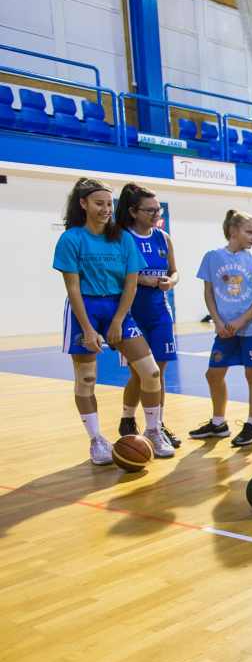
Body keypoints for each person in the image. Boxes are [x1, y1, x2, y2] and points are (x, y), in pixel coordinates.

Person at [53, 177, 170, 463]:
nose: (106, 209)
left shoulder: (122, 238)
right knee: (87, 378)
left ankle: (153, 430)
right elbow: (73, 288)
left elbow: (131, 283)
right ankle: (96, 440)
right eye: (99, 203)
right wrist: (88, 329)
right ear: (83, 204)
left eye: (109, 204)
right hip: (85, 308)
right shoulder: (71, 239)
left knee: (151, 372)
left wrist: (118, 320)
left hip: (118, 307)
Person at [190, 210, 252, 446]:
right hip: (224, 329)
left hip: (251, 328)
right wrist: (217, 321)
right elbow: (208, 293)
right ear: (233, 231)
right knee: (214, 374)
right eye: (249, 232)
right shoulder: (212, 257)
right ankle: (218, 423)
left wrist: (242, 320)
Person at [114, 182, 181, 449]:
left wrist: (171, 281)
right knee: (139, 372)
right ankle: (128, 417)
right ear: (133, 211)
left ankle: (157, 425)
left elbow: (175, 271)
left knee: (158, 372)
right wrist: (143, 280)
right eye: (150, 210)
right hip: (132, 312)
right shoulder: (123, 238)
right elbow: (117, 274)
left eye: (158, 209)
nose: (156, 214)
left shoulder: (163, 237)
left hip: (160, 312)